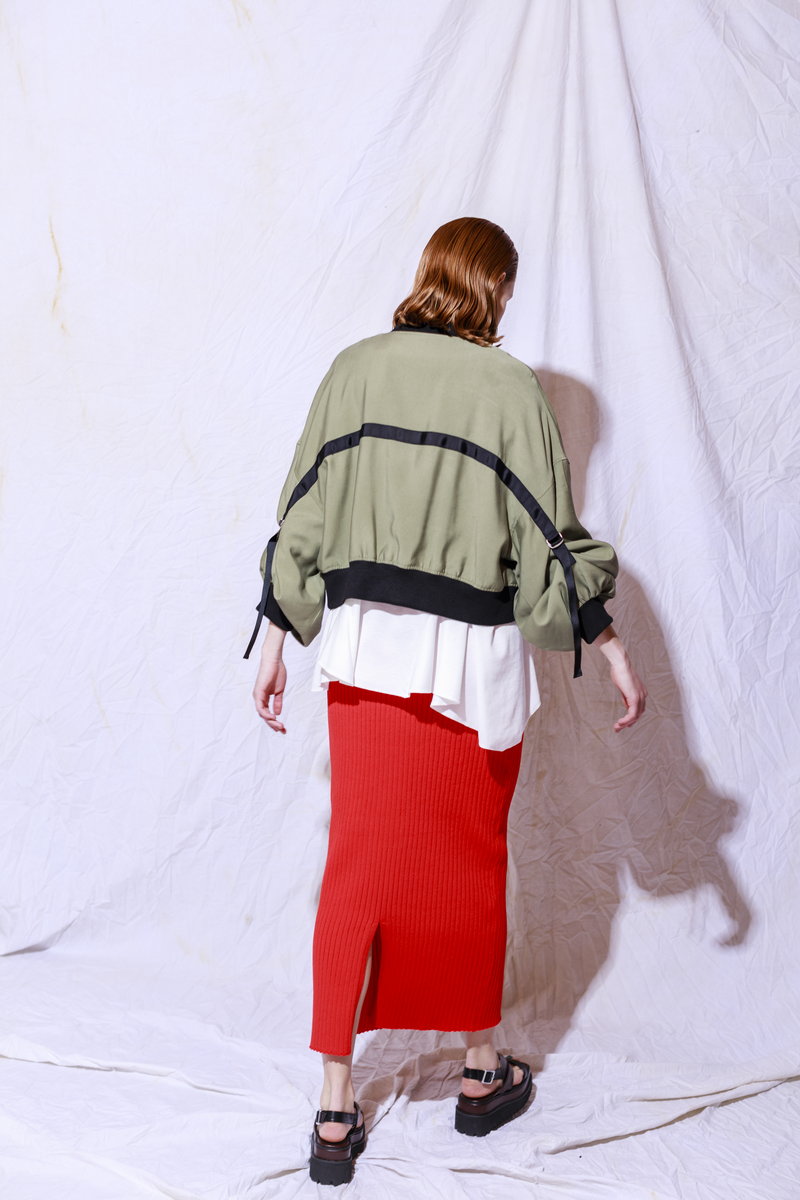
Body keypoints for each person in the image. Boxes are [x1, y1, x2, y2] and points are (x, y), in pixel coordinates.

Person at [247, 217, 647, 1186]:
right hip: (471, 664)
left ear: (429, 273)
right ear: (493, 288)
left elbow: (303, 514)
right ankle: (479, 1071)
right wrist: (608, 643)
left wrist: (274, 636)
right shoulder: (507, 389)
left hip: (362, 656)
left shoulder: (352, 371)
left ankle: (334, 1108)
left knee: (355, 867)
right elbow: (549, 541)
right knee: (472, 864)